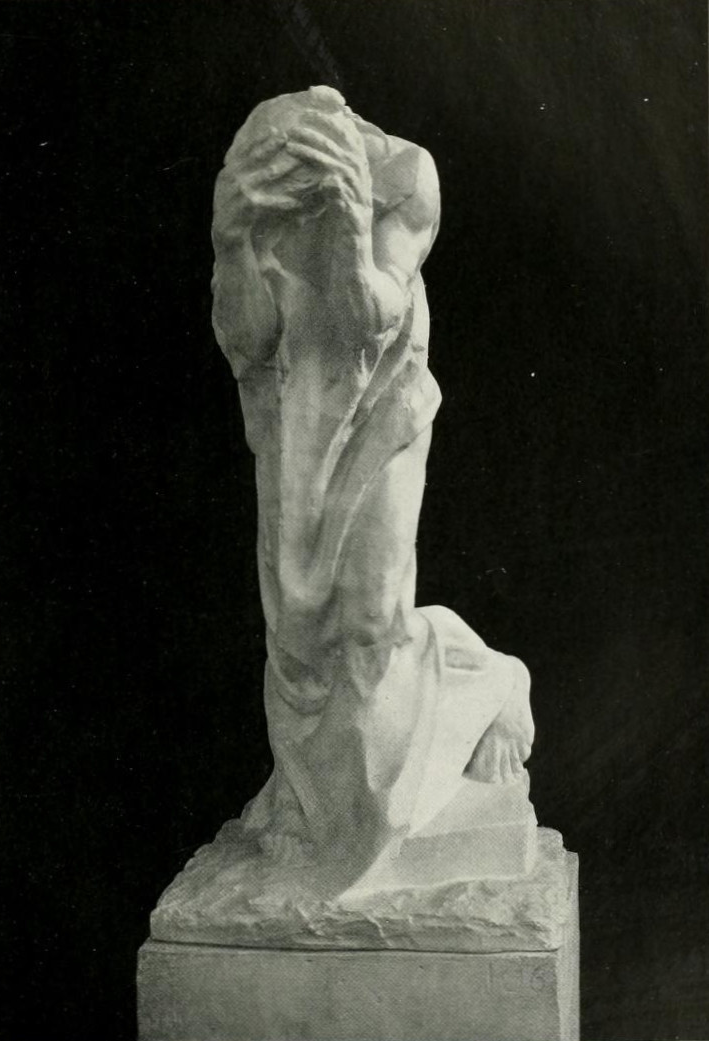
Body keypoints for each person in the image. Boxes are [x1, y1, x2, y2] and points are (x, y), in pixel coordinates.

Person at [211, 87, 533, 874]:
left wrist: (352, 222)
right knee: (298, 637)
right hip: (298, 425)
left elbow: (375, 317)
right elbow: (248, 336)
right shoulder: (253, 183)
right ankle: (321, 799)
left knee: (367, 621)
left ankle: (484, 698)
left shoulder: (404, 175)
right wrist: (234, 235)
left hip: (383, 414)